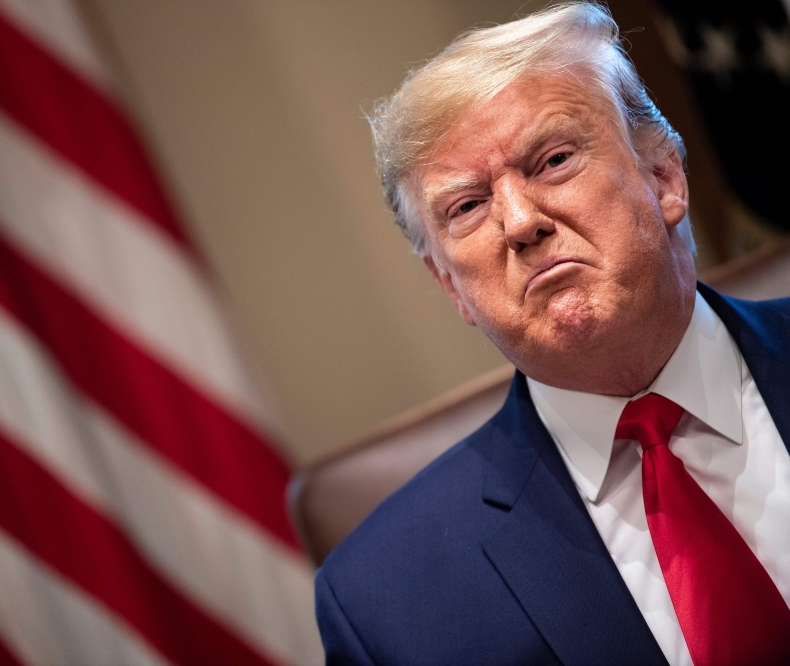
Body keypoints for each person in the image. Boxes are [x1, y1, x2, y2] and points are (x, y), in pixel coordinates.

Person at [314, 3, 790, 665]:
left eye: (553, 159)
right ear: (451, 286)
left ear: (664, 176)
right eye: (468, 206)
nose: (519, 222)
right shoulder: (384, 603)